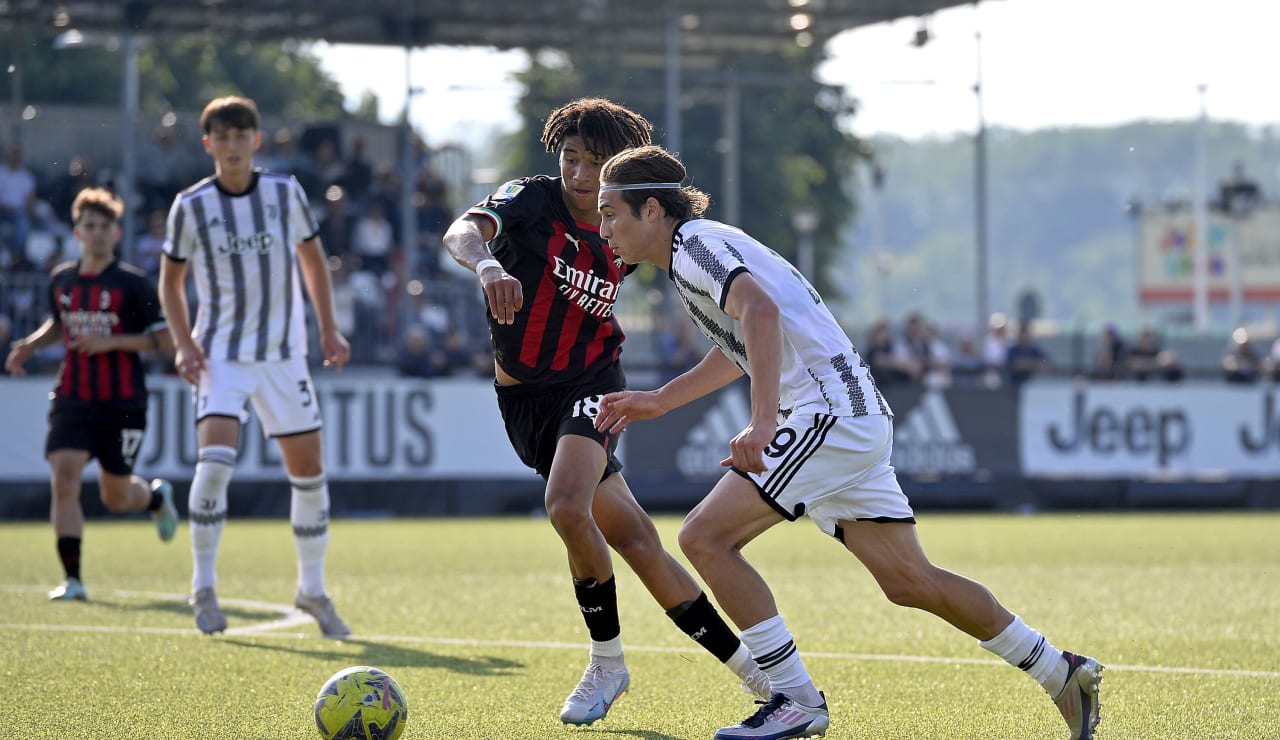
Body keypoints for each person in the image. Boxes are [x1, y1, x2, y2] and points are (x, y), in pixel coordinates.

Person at [593, 145, 1103, 740]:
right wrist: (660, 400)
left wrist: (761, 425)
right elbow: (742, 344)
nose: (604, 228)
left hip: (827, 414)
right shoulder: (703, 248)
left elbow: (757, 314)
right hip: (850, 415)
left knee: (704, 538)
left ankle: (796, 700)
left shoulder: (694, 248)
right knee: (910, 582)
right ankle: (1058, 670)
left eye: (610, 213)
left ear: (652, 210)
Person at [442, 98, 769, 726]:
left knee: (567, 505)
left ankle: (606, 661)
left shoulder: (621, 220)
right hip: (522, 400)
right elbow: (461, 229)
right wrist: (485, 263)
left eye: (595, 163)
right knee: (638, 541)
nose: (579, 175)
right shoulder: (530, 201)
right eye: (570, 158)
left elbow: (692, 259)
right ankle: (752, 669)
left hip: (592, 383)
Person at [158, 96, 352, 638]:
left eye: (242, 135)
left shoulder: (284, 193)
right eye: (223, 136)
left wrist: (328, 327)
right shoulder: (191, 206)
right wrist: (182, 342)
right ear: (209, 145)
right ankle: (203, 585)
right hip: (219, 354)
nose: (234, 145)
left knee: (309, 474)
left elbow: (312, 260)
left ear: (256, 140)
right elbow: (170, 283)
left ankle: (312, 590)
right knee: (215, 464)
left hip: (282, 356)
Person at [4, 187, 179, 602]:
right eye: (89, 226)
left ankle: (154, 497)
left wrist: (113, 342)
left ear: (116, 233)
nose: (97, 233)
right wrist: (30, 345)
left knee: (116, 497)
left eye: (105, 226)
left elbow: (166, 340)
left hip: (122, 404)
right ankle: (74, 579)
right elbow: (62, 325)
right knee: (64, 481)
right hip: (72, 397)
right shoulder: (61, 279)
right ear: (77, 232)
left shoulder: (133, 284)